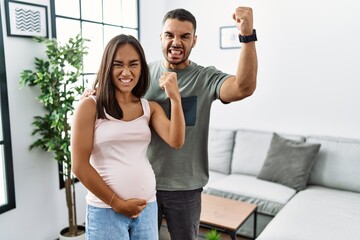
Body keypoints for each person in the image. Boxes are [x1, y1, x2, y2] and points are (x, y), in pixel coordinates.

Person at [144, 7, 258, 240]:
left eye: (185, 36)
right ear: (161, 37)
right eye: (170, 35)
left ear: (194, 41)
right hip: (144, 183)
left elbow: (243, 87)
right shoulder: (143, 74)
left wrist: (247, 36)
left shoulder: (205, 78)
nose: (176, 42)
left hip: (186, 188)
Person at [71, 34, 185, 240]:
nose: (126, 72)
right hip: (106, 210)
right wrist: (117, 203)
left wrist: (175, 98)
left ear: (142, 68)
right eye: (118, 65)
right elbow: (79, 166)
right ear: (107, 67)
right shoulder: (90, 106)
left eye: (133, 64)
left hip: (147, 207)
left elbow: (176, 141)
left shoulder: (149, 108)